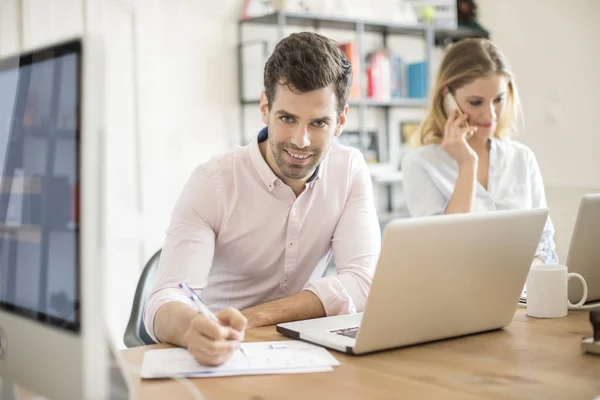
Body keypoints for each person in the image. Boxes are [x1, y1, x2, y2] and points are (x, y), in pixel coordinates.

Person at [143, 32, 381, 366]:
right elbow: (164, 300)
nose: (301, 140)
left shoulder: (350, 170)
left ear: (340, 121)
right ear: (265, 108)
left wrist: (253, 317)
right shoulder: (213, 182)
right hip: (219, 354)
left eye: (319, 123)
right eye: (287, 119)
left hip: (300, 350)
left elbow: (364, 283)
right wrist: (192, 327)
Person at [401, 38, 558, 266]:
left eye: (498, 100)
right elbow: (442, 251)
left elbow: (545, 245)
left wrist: (523, 281)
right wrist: (467, 165)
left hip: (524, 295)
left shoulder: (522, 158)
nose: (491, 115)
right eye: (476, 102)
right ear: (448, 98)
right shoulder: (420, 163)